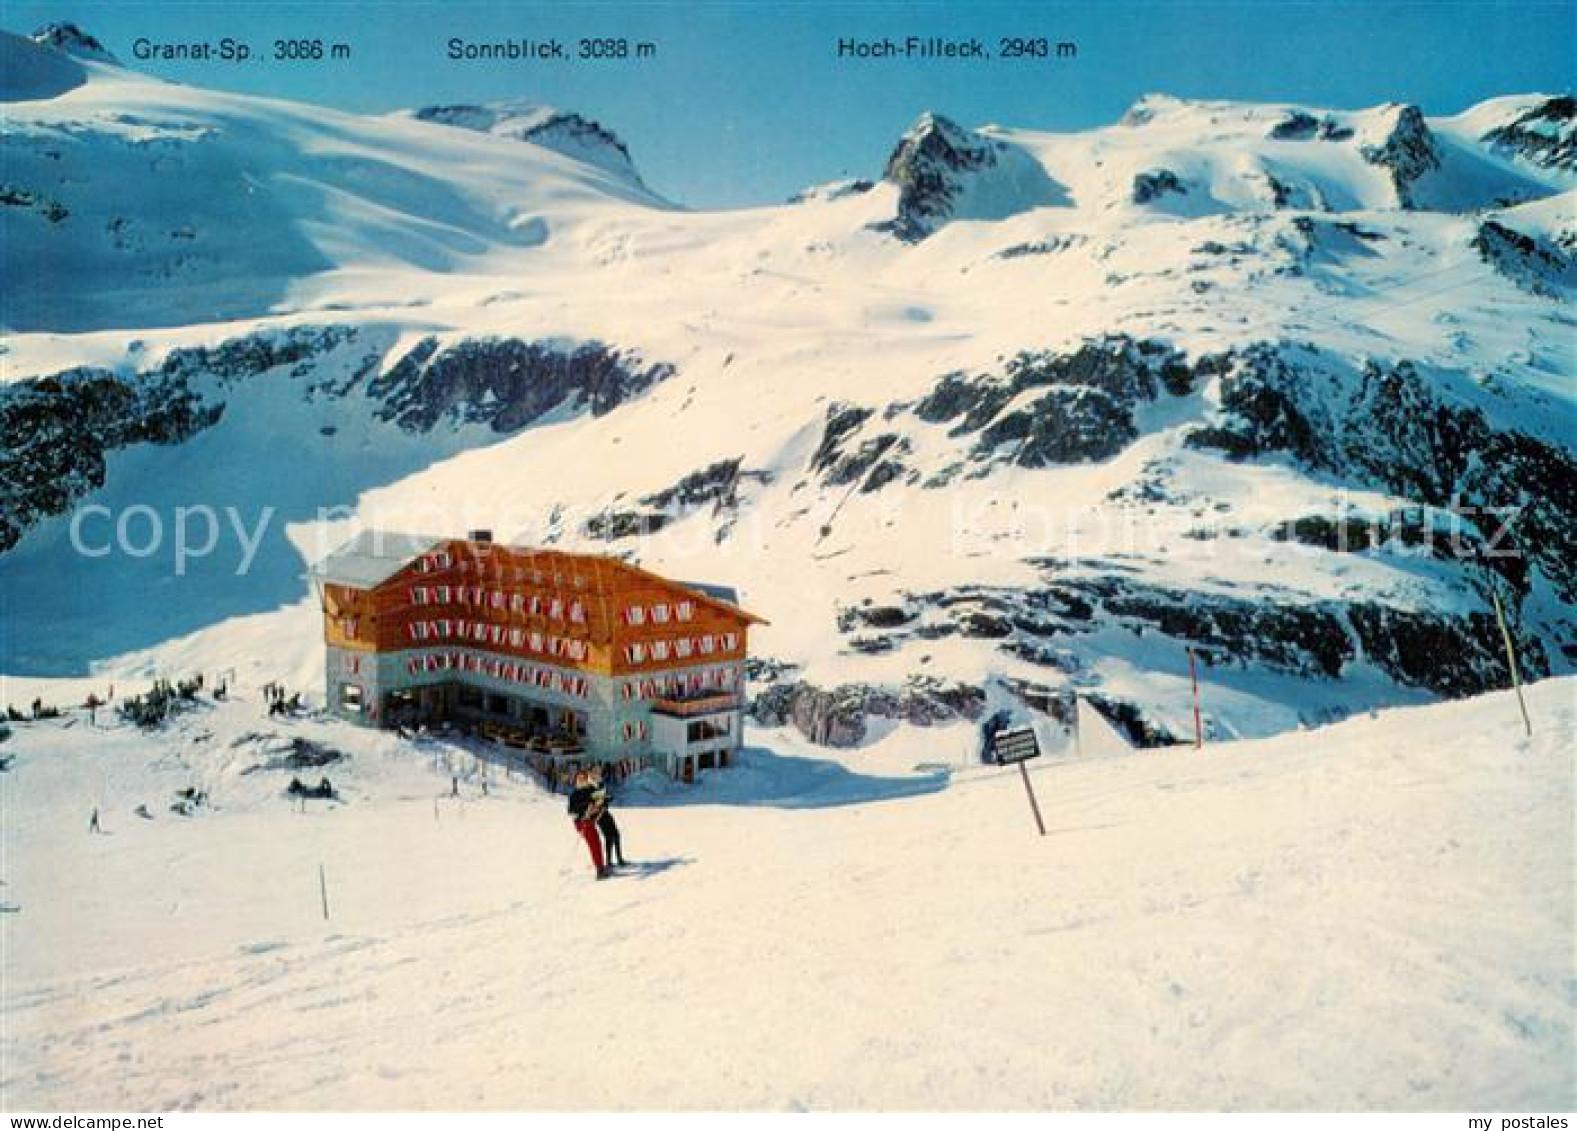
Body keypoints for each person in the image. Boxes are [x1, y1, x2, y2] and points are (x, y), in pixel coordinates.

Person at [567, 770, 608, 880]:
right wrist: (585, 807)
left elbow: (601, 796)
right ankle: (600, 870)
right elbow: (571, 811)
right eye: (579, 778)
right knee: (594, 843)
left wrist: (602, 802)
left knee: (597, 843)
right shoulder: (574, 794)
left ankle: (601, 866)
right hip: (582, 822)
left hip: (591, 820)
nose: (581, 780)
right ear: (576, 780)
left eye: (583, 778)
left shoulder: (591, 789)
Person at [591, 766, 627, 867]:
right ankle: (609, 861)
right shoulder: (592, 786)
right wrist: (605, 800)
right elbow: (595, 800)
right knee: (609, 836)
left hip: (605, 812)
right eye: (596, 773)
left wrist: (607, 798)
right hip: (599, 814)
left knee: (616, 835)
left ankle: (618, 859)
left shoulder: (600, 783)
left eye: (598, 772)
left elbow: (602, 797)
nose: (598, 774)